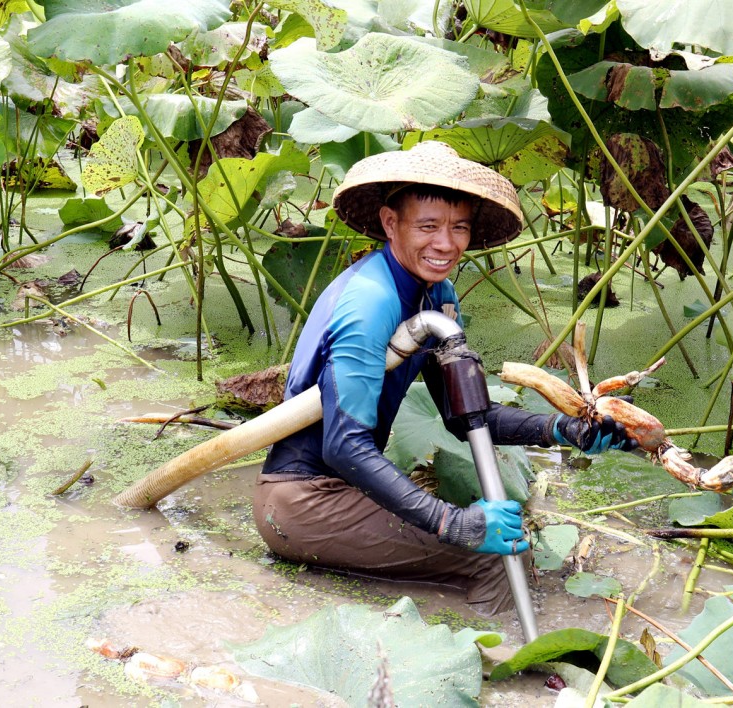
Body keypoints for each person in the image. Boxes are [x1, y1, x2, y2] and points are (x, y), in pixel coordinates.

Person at [254, 142, 635, 616]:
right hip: (304, 501)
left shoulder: (438, 295)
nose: (446, 244)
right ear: (391, 223)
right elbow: (343, 445)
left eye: (459, 228)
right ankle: (510, 675)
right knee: (498, 557)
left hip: (348, 489)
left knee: (507, 541)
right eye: (428, 226)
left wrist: (564, 430)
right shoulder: (370, 301)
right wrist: (452, 523)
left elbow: (467, 418)